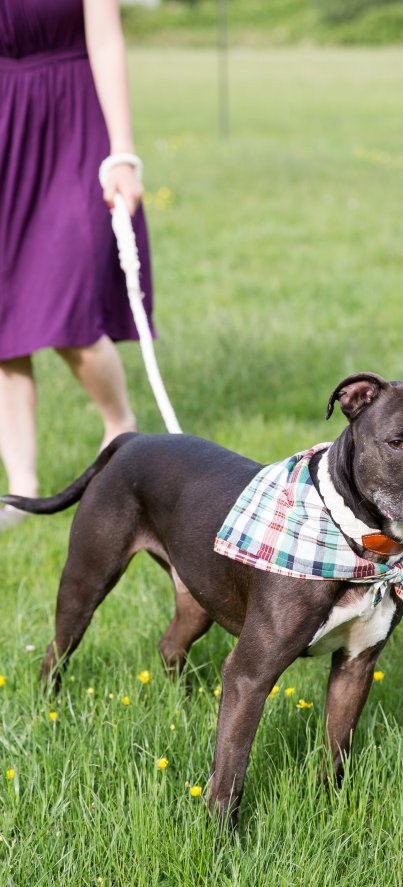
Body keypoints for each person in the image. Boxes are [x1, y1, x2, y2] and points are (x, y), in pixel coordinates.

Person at [0, 0, 153, 530]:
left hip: (74, 123)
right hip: (3, 122)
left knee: (70, 313)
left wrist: (123, 153)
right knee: (4, 325)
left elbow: (107, 41)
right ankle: (21, 485)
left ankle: (119, 424)